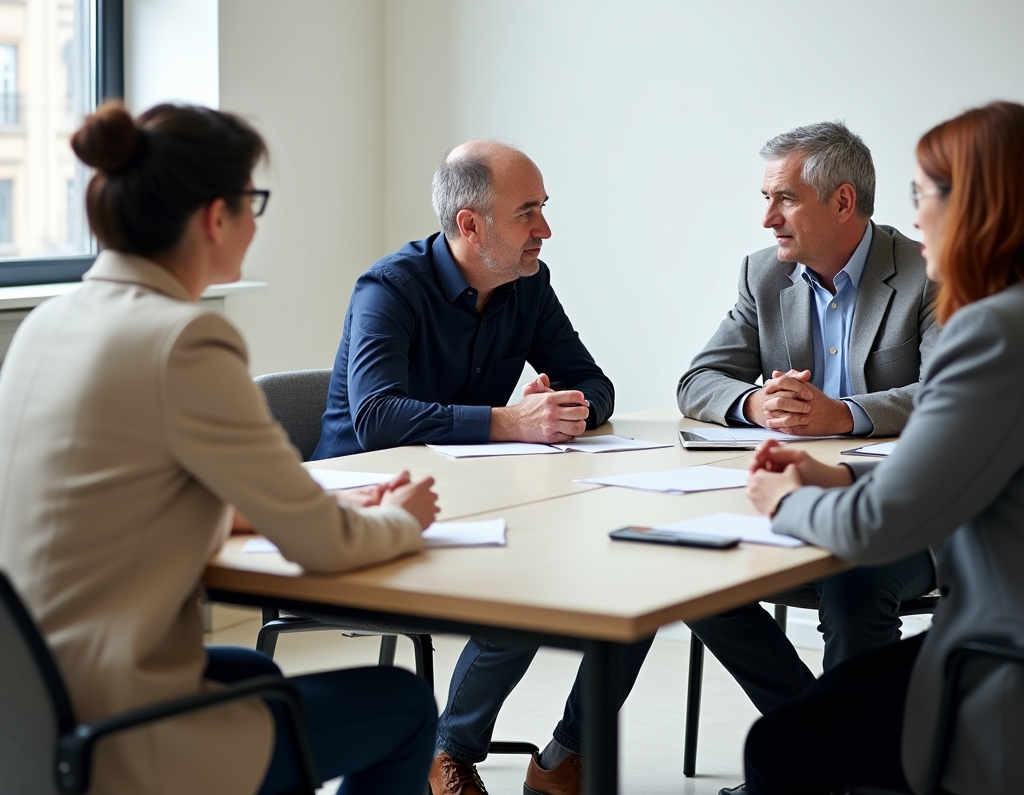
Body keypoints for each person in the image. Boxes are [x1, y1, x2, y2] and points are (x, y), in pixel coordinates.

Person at [0, 101, 440, 795]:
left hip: (29, 705)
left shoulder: (48, 324)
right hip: (117, 730)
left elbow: (119, 501)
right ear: (215, 217)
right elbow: (323, 545)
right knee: (405, 705)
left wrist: (286, 510)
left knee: (257, 673)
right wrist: (400, 519)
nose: (256, 223)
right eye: (252, 203)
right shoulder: (183, 340)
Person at [313, 140, 649, 795]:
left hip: (480, 495)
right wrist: (510, 421)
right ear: (470, 224)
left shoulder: (529, 285)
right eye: (528, 213)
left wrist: (566, 409)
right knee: (527, 588)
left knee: (640, 578)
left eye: (543, 208)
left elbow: (594, 383)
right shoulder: (390, 288)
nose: (545, 229)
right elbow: (376, 418)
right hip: (373, 508)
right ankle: (449, 753)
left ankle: (566, 756)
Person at [742, 100, 1024, 795]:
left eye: (922, 195)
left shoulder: (991, 330)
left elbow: (879, 528)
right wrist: (839, 480)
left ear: (980, 205)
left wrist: (784, 499)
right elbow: (971, 467)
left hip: (997, 662)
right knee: (816, 721)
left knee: (782, 746)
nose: (915, 218)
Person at [676, 122, 938, 794]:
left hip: (910, 510)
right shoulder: (765, 275)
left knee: (854, 585)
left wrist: (843, 413)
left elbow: (949, 396)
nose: (767, 218)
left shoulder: (927, 272)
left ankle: (837, 766)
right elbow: (698, 381)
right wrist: (755, 405)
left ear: (843, 201)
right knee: (689, 570)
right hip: (795, 501)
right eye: (766, 199)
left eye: (784, 199)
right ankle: (826, 758)